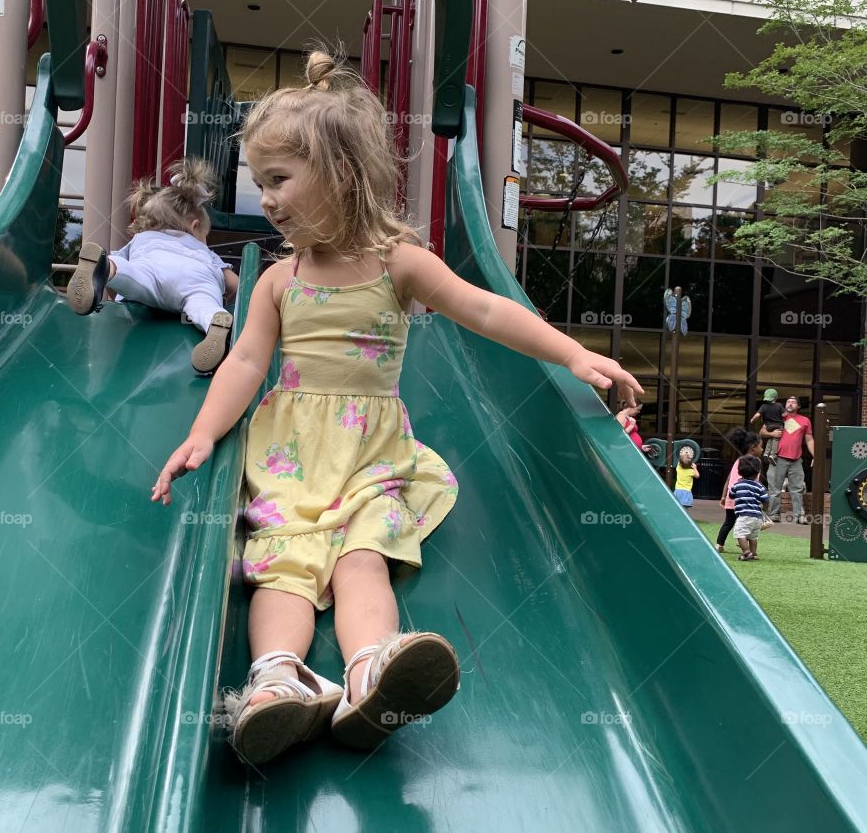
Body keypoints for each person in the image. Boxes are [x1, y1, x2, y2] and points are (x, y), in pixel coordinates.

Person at [149, 47, 644, 766]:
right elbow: (248, 363)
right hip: (291, 454)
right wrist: (201, 433)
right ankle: (275, 682)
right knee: (282, 566)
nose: (269, 200)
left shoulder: (397, 263)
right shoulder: (278, 282)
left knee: (362, 559)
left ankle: (370, 673)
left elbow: (483, 308)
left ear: (342, 174)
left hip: (372, 455)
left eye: (281, 180)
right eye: (263, 184)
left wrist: (569, 352)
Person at [66, 157, 239, 374]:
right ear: (195, 228)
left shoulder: (143, 239)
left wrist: (111, 293)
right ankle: (215, 321)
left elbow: (114, 289)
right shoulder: (206, 254)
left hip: (152, 271)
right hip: (196, 279)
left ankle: (103, 266)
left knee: (129, 273)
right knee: (202, 305)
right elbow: (236, 285)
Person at [767, 395, 815, 523]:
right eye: (788, 401)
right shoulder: (778, 417)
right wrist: (771, 434)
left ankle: (799, 516)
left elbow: (809, 439)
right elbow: (762, 431)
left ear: (798, 406)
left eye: (794, 402)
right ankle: (773, 514)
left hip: (796, 459)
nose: (790, 404)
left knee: (798, 488)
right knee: (774, 488)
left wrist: (815, 455)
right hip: (777, 457)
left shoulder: (805, 420)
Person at [716, 427, 763, 552]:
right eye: (760, 446)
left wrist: (724, 495)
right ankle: (747, 549)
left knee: (728, 523)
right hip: (745, 499)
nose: (762, 449)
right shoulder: (755, 462)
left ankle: (719, 544)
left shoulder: (739, 460)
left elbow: (729, 479)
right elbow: (754, 483)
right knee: (747, 522)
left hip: (733, 497)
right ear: (753, 447)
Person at [729, 455, 770, 560]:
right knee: (753, 536)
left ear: (740, 472)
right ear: (757, 473)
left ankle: (747, 552)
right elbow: (765, 500)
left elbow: (731, 495)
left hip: (744, 515)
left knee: (739, 533)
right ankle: (753, 553)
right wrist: (764, 510)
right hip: (757, 516)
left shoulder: (738, 485)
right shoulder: (759, 486)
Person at [750, 388, 784, 465]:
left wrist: (752, 419)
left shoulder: (764, 406)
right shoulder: (779, 405)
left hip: (768, 426)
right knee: (775, 439)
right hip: (778, 425)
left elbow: (757, 415)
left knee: (770, 439)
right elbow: (784, 415)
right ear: (776, 397)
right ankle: (773, 454)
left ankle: (766, 453)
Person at [672, 446, 698, 511]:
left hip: (678, 491)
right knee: (685, 510)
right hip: (686, 492)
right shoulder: (691, 472)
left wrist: (684, 453)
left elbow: (680, 461)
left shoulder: (678, 469)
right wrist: (695, 468)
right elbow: (697, 476)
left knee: (677, 508)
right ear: (691, 464)